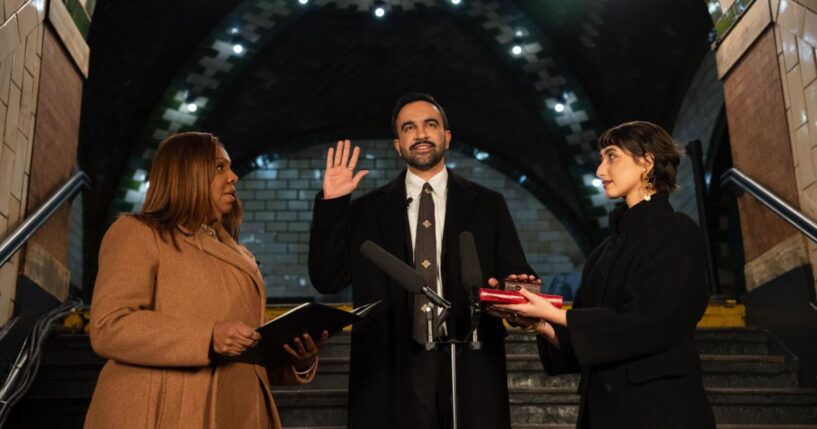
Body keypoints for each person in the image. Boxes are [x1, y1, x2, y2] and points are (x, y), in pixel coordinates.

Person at [308, 93, 535, 429]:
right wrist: (333, 205)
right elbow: (327, 279)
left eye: (431, 124)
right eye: (409, 127)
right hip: (391, 365)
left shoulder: (488, 205)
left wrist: (517, 294)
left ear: (447, 136)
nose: (421, 134)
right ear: (398, 144)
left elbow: (517, 277)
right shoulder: (367, 210)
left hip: (469, 360)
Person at [85, 132, 328, 429]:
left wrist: (297, 359)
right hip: (164, 410)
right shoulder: (137, 232)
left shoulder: (240, 254)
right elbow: (109, 326)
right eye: (219, 167)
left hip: (240, 411)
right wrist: (208, 337)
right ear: (187, 172)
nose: (234, 177)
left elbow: (248, 348)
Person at [492, 121, 716, 429]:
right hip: (602, 414)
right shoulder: (602, 253)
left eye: (611, 157)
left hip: (661, 411)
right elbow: (585, 343)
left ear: (647, 162)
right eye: (602, 159)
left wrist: (555, 315)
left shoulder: (677, 232)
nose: (600, 171)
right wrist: (540, 322)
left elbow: (652, 322)